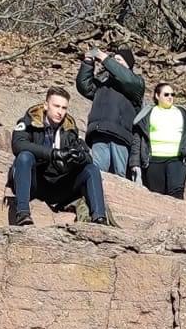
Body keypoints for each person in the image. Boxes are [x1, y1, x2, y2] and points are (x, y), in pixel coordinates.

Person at [9, 85, 111, 227]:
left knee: (91, 169)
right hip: (35, 182)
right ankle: (22, 213)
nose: (60, 112)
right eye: (56, 106)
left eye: (64, 108)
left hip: (58, 184)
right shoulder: (29, 122)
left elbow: (87, 156)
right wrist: (53, 154)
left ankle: (100, 219)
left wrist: (80, 157)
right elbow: (18, 145)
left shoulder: (69, 128)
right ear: (46, 105)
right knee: (25, 156)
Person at [76, 45, 145, 178]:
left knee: (119, 175)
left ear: (129, 66)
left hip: (121, 135)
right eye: (114, 59)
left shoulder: (136, 84)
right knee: (97, 173)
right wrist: (88, 62)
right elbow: (84, 86)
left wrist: (105, 58)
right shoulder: (103, 83)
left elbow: (126, 78)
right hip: (99, 131)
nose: (114, 62)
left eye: (119, 60)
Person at [134, 80, 186, 198]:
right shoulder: (147, 113)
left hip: (177, 160)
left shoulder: (182, 112)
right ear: (157, 96)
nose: (170, 97)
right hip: (153, 161)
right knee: (156, 196)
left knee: (176, 194)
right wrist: (135, 162)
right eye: (166, 94)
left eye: (172, 94)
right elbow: (138, 139)